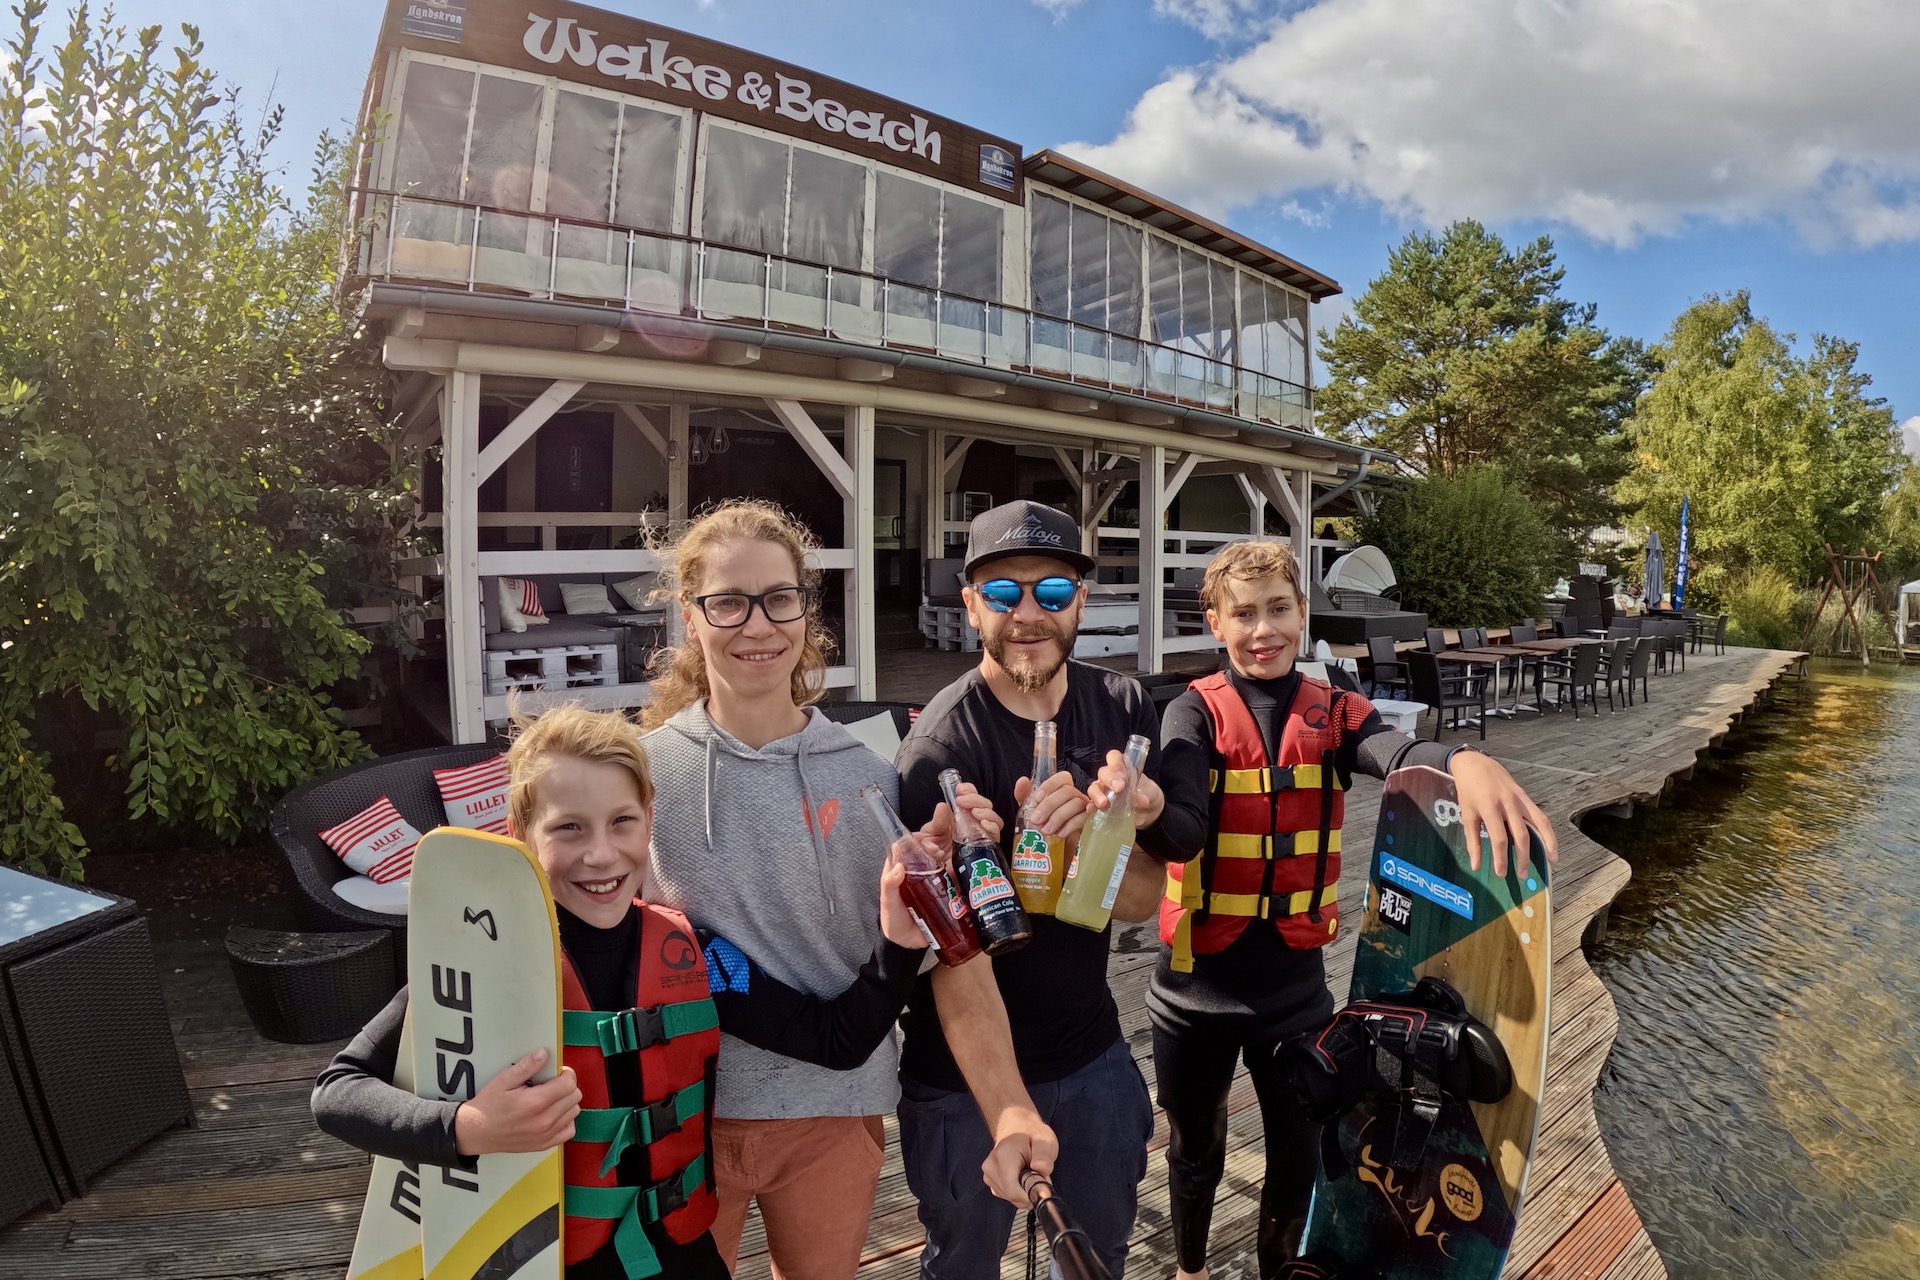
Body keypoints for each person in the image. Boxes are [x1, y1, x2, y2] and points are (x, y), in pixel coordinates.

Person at [311, 703, 957, 1279]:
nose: (601, 855)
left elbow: (836, 1039)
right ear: (520, 831)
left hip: (679, 1257)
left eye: (621, 822)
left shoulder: (692, 954)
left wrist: (898, 941)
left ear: (650, 820)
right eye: (569, 829)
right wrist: (466, 1126)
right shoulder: (485, 958)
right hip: (547, 1260)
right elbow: (338, 1091)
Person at [1150, 540, 1558, 1279]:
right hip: (1193, 994)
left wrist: (1462, 759)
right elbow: (1179, 825)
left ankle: (1278, 1270)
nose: (1263, 628)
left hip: (1294, 994)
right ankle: (1189, 1270)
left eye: (1279, 609)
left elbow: (1396, 753)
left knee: (1299, 1155)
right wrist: (1144, 808)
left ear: (1303, 613)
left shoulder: (1335, 712)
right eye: (1243, 613)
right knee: (1194, 1148)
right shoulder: (1191, 714)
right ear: (1216, 623)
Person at [639, 499, 995, 1279]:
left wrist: (938, 871)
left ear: (806, 611)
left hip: (836, 1109)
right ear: (690, 618)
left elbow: (918, 950)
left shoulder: (873, 776)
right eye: (728, 602)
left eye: (778, 599)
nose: (756, 625)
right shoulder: (643, 772)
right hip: (679, 1115)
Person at [894, 500, 1177, 1280]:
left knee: (1096, 1262)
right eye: (1003, 593)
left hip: (1090, 1054)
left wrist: (1098, 840)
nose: (1028, 614)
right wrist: (1009, 1107)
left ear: (1081, 601)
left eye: (1053, 593)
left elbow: (1142, 899)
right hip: (963, 1084)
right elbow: (953, 958)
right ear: (970, 604)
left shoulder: (1120, 705)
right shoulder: (939, 750)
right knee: (962, 1269)